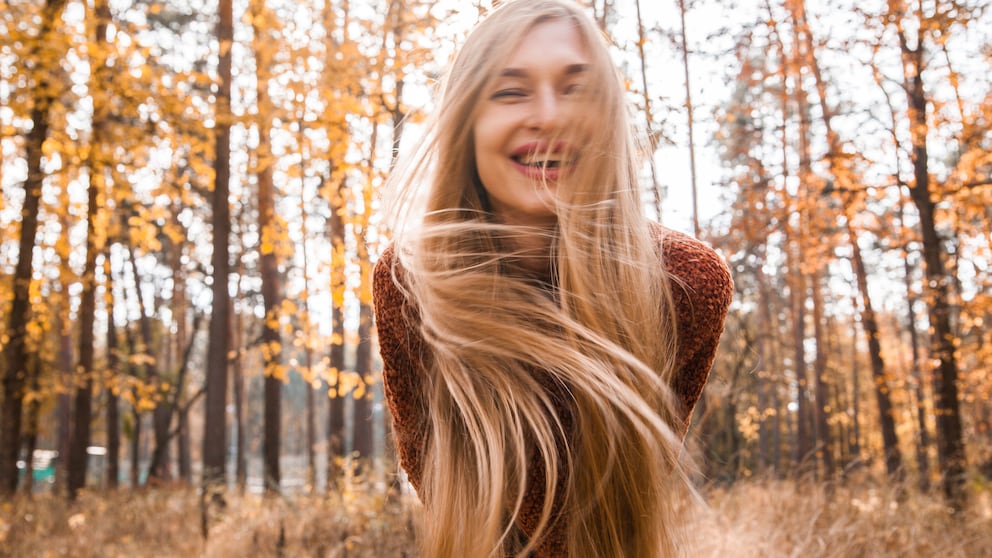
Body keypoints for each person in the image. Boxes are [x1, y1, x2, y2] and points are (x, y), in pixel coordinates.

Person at [372, 1, 733, 556]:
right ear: (467, 124)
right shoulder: (410, 285)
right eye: (511, 91)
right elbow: (444, 491)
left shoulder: (683, 283)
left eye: (575, 89)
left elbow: (617, 493)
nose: (548, 115)